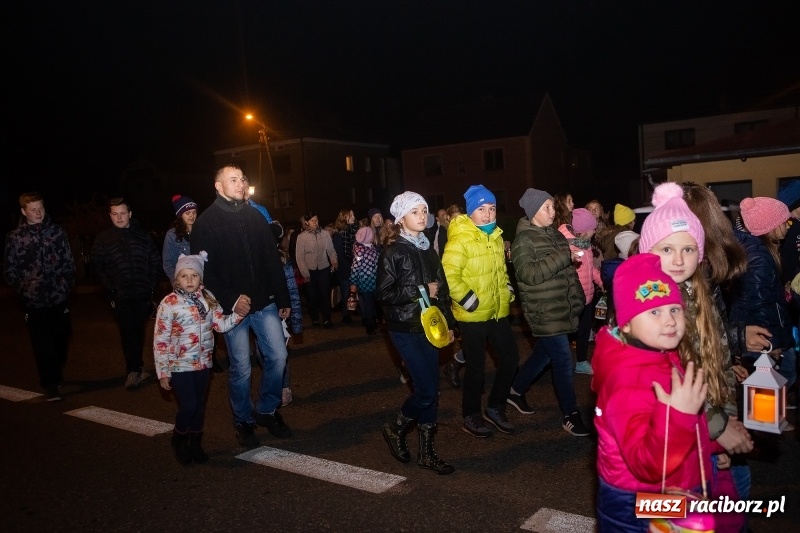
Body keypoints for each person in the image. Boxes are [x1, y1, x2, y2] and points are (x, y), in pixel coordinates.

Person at [638, 183, 752, 530]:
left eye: (688, 249)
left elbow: (718, 362)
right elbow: (661, 381)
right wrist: (717, 431)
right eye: (666, 248)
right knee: (676, 521)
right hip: (670, 448)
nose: (677, 259)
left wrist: (725, 424)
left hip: (703, 435)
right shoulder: (646, 306)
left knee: (723, 518)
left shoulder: (697, 291)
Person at [592, 253, 712, 532]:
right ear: (626, 324)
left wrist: (713, 444)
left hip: (668, 489)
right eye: (654, 312)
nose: (669, 321)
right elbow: (647, 464)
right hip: (639, 501)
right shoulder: (627, 380)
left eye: (674, 310)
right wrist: (680, 415)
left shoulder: (659, 355)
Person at [191, 163, 292, 447]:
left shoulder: (254, 216)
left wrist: (282, 297)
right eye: (233, 179)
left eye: (242, 179)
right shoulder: (206, 223)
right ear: (218, 186)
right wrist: (232, 299)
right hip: (231, 309)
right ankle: (243, 420)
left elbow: (271, 259)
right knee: (241, 367)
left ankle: (267, 410)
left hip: (263, 301)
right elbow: (202, 271)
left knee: (278, 356)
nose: (240, 184)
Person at [377, 191, 457, 475]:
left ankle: (427, 453)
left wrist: (450, 325)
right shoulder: (394, 251)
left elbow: (442, 290)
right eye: (415, 211)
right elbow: (384, 293)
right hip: (405, 327)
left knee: (432, 389)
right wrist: (420, 290)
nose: (422, 216)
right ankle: (396, 428)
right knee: (426, 391)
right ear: (401, 218)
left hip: (431, 327)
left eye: (424, 210)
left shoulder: (428, 249)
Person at [507, 188, 589, 436]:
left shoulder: (555, 236)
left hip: (561, 309)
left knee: (543, 355)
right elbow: (529, 275)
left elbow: (568, 272)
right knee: (563, 359)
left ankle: (515, 390)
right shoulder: (523, 241)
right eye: (547, 207)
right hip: (543, 311)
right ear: (533, 211)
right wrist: (564, 256)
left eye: (553, 206)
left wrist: (577, 298)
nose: (553, 211)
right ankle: (570, 414)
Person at [153, 251, 247, 464]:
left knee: (199, 406)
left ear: (200, 278)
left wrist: (238, 315)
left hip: (203, 363)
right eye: (184, 276)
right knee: (188, 405)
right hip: (179, 364)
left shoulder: (208, 298)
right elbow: (161, 339)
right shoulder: (169, 303)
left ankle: (196, 442)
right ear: (177, 279)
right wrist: (163, 371)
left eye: (194, 275)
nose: (189, 280)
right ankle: (179, 438)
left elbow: (219, 324)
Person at [442, 184, 520, 437]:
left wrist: (507, 289)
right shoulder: (460, 238)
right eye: (481, 209)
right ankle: (471, 415)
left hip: (497, 311)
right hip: (473, 314)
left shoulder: (495, 236)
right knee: (476, 367)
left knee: (510, 359)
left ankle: (495, 406)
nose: (488, 214)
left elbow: (500, 270)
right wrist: (468, 300)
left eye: (492, 208)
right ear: (470, 212)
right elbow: (449, 274)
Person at [4, 192, 75, 401]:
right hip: (33, 301)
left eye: (41, 208)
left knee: (62, 337)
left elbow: (69, 262)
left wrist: (66, 285)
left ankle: (56, 368)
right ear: (23, 211)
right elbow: (10, 270)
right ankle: (51, 384)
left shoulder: (57, 232)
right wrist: (23, 289)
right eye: (33, 210)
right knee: (42, 344)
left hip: (58, 297)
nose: (38, 213)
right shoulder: (15, 237)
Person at [730, 196, 797, 418]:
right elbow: (759, 305)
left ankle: (767, 418)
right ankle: (762, 422)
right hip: (762, 334)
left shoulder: (759, 251)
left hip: (766, 331)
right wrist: (771, 343)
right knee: (777, 376)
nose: (788, 226)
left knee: (776, 377)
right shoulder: (759, 257)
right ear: (771, 225)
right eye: (785, 222)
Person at [90, 198, 161, 389]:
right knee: (128, 332)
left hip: (142, 294)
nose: (119, 217)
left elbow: (155, 261)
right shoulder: (103, 239)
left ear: (130, 214)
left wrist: (151, 286)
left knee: (138, 331)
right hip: (120, 295)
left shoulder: (143, 236)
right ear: (110, 216)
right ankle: (133, 370)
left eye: (122, 213)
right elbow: (96, 266)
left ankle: (137, 367)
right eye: (115, 214)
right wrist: (110, 287)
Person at [562, 207, 603, 375]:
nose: (595, 231)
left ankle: (581, 361)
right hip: (574, 298)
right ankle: (560, 362)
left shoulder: (586, 246)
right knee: (568, 332)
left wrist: (601, 281)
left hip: (588, 297)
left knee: (584, 331)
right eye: (593, 229)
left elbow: (591, 269)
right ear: (584, 231)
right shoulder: (568, 247)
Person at [295, 211, 338, 328]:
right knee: (312, 296)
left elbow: (331, 250)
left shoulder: (325, 234)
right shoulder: (302, 237)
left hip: (324, 268)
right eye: (312, 220)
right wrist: (305, 273)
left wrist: (334, 262)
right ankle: (314, 318)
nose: (315, 222)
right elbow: (299, 257)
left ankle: (327, 319)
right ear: (306, 222)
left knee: (325, 294)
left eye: (316, 220)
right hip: (310, 270)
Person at [350, 226, 379, 335]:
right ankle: (369, 325)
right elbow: (355, 267)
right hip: (365, 281)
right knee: (368, 303)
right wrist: (353, 282)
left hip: (374, 280)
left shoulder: (372, 248)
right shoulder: (360, 250)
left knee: (372, 303)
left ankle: (373, 321)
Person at [162, 195, 197, 282]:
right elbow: (168, 263)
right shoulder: (172, 235)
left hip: (200, 281)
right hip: (182, 281)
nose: (192, 216)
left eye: (194, 212)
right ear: (181, 215)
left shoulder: (201, 231)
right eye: (187, 213)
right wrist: (176, 281)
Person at [334, 209, 359, 323]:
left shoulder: (356, 232)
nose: (354, 217)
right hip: (345, 269)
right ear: (344, 218)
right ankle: (346, 315)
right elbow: (339, 254)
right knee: (345, 292)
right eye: (351, 215)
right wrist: (350, 267)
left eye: (353, 214)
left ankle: (355, 309)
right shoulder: (338, 235)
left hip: (355, 266)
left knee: (356, 291)